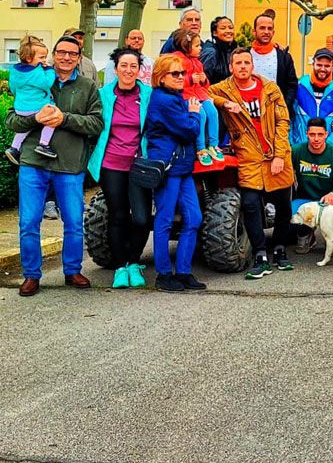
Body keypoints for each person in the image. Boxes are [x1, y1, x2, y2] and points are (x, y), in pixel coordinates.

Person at [9, 34, 102, 297]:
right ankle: (31, 275)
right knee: (28, 222)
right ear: (54, 54)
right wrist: (35, 118)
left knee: (73, 222)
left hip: (70, 165)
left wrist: (65, 119)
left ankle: (72, 270)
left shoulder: (87, 87)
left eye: (72, 54)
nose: (66, 57)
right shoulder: (33, 79)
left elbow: (96, 124)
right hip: (33, 162)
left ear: (79, 57)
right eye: (61, 52)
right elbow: (12, 121)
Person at [210, 47, 296, 279]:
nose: (243, 67)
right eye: (238, 63)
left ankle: (279, 248)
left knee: (283, 205)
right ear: (231, 67)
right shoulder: (225, 89)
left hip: (274, 154)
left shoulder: (269, 88)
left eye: (246, 62)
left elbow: (283, 121)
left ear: (252, 65)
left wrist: (279, 155)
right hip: (248, 156)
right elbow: (203, 93)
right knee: (250, 204)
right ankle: (260, 254)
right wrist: (224, 104)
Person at [87, 47, 153, 289]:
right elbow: (92, 123)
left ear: (139, 70)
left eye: (133, 66)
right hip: (111, 163)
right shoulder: (102, 95)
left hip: (139, 165)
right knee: (118, 215)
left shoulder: (147, 95)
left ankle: (134, 262)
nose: (128, 70)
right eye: (123, 66)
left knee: (143, 218)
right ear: (115, 69)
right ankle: (120, 267)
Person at [142, 55, 205, 292]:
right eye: (175, 74)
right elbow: (189, 130)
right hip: (168, 168)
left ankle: (184, 272)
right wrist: (195, 113)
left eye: (182, 73)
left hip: (182, 167)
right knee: (165, 220)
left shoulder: (175, 97)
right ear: (161, 77)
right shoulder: (164, 100)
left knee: (194, 218)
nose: (181, 77)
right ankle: (164, 274)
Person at [291, 117, 333, 247]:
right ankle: (306, 234)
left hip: (329, 199)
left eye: (320, 134)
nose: (316, 139)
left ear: (326, 134)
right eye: (312, 134)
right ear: (307, 134)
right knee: (290, 210)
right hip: (306, 198)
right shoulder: (297, 151)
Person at [170, 29, 222, 166]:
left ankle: (213, 145)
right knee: (201, 115)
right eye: (197, 45)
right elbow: (173, 80)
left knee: (213, 112)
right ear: (186, 46)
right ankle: (201, 148)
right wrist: (189, 79)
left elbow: (205, 86)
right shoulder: (176, 60)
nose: (200, 48)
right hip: (186, 95)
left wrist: (204, 80)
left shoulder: (198, 62)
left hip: (200, 94)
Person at [6, 35, 59, 162]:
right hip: (36, 108)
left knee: (26, 127)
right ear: (29, 58)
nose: (44, 60)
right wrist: (50, 70)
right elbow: (47, 83)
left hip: (21, 108)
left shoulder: (14, 70)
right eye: (41, 57)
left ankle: (14, 148)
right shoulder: (36, 71)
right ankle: (43, 144)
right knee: (51, 118)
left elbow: (13, 88)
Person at [291, 48, 333, 145]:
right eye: (319, 65)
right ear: (313, 64)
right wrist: (292, 143)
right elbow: (289, 117)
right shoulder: (299, 87)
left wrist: (329, 144)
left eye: (327, 66)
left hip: (326, 149)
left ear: (332, 66)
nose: (322, 69)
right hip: (301, 146)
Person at [247, 12, 299, 116]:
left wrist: (284, 107)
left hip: (276, 114)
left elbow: (292, 86)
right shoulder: (245, 55)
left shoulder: (284, 57)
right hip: (250, 114)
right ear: (254, 32)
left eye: (269, 29)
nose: (266, 32)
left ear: (273, 32)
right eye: (262, 28)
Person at [200, 17, 236, 88]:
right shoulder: (210, 52)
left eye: (230, 28)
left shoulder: (232, 48)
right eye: (223, 28)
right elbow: (203, 79)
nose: (228, 31)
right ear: (215, 33)